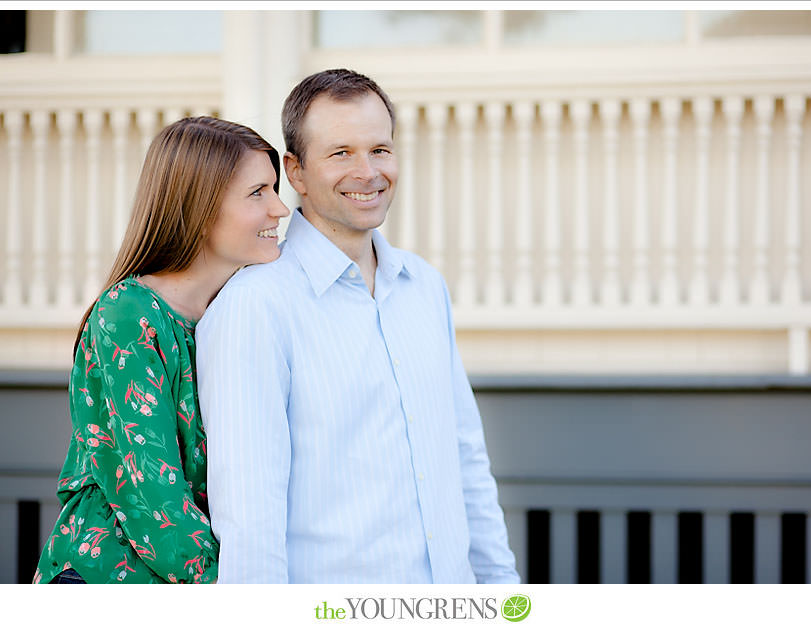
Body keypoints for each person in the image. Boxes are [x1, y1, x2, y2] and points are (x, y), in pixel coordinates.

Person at [196, 69, 519, 583]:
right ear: (296, 172)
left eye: (380, 150)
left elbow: (465, 462)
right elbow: (249, 517)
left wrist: (501, 594)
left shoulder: (425, 287)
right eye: (340, 153)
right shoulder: (255, 306)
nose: (367, 172)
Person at [33, 116, 291, 584]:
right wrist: (251, 598)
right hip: (111, 580)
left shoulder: (238, 308)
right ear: (201, 205)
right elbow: (154, 501)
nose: (280, 209)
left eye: (274, 189)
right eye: (258, 193)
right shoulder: (129, 315)